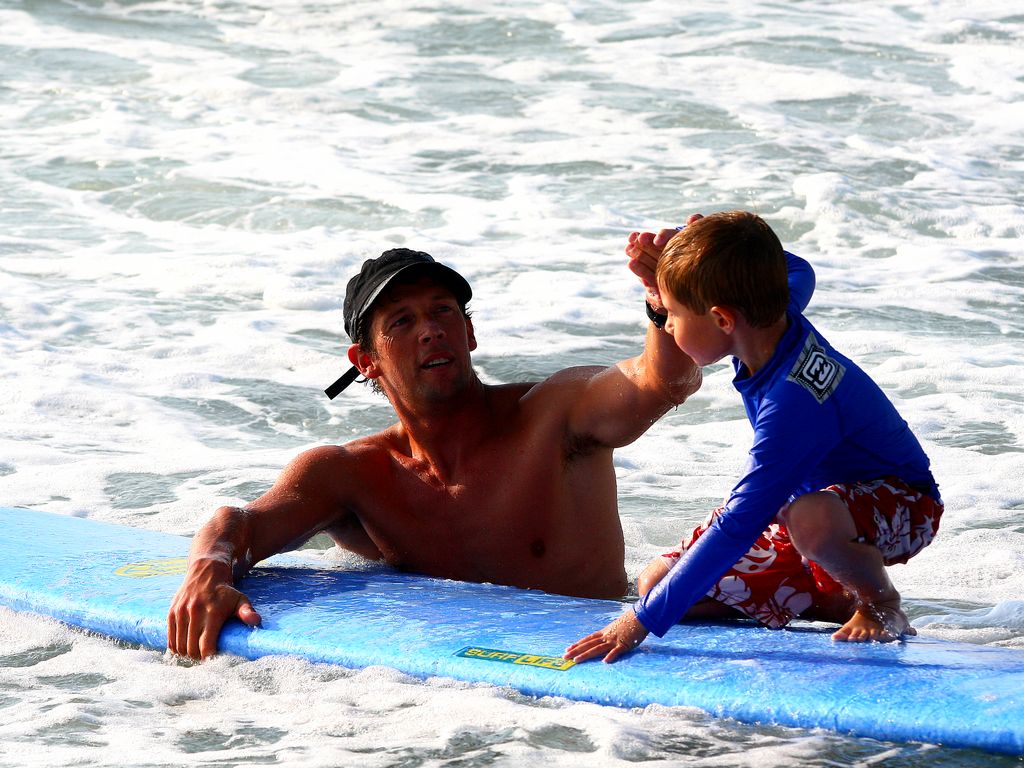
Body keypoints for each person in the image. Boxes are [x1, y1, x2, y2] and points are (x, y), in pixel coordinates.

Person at [167, 246, 703, 659]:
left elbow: (661, 383)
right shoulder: (354, 474)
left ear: (468, 332)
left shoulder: (556, 414)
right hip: (454, 696)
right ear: (365, 360)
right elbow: (240, 523)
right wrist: (209, 570)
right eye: (402, 321)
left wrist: (663, 306)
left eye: (443, 311)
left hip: (604, 668)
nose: (430, 330)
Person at [565, 211, 942, 664]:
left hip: (904, 505)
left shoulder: (792, 401)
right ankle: (830, 595)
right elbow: (799, 268)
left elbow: (741, 520)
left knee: (810, 518)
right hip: (811, 512)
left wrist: (638, 622)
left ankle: (879, 601)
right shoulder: (773, 311)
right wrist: (693, 245)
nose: (667, 325)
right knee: (656, 584)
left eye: (674, 314)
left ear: (722, 319)